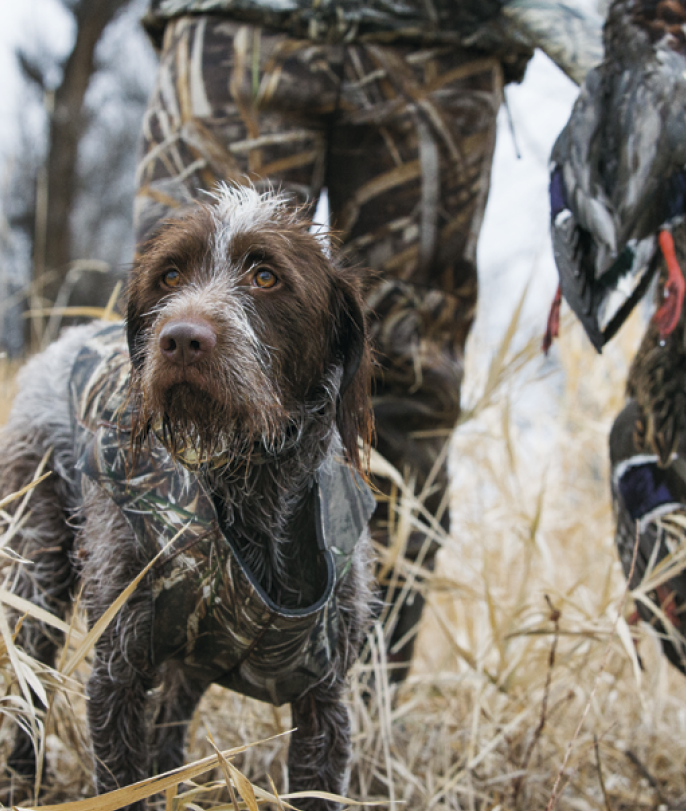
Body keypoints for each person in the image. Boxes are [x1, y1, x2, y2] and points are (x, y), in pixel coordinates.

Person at [132, 0, 601, 684]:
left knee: (408, 385)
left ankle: (356, 704)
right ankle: (149, 696)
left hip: (441, 35)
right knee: (175, 337)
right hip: (235, 22)